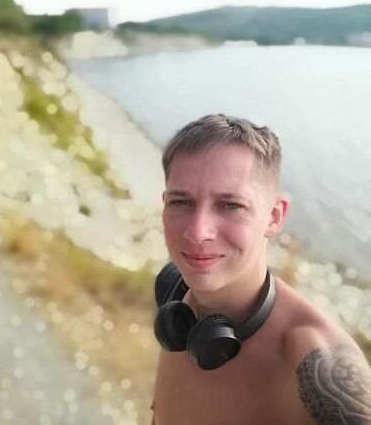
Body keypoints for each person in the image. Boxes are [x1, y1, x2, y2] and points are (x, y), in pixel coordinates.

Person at [151, 114, 371, 425]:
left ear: (274, 216)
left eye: (231, 205)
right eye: (181, 202)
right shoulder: (175, 299)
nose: (198, 232)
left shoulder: (316, 362)